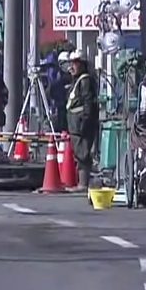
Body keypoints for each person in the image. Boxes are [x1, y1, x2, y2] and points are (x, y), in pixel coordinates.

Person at [66, 53, 100, 188]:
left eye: (75, 63)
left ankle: (83, 183)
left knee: (83, 153)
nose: (72, 66)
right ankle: (82, 182)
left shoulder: (85, 81)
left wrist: (85, 121)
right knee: (79, 153)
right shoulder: (78, 80)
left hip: (81, 124)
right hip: (75, 124)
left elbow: (88, 103)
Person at [48, 51, 73, 134]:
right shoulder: (58, 79)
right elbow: (51, 92)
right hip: (61, 111)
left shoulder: (74, 78)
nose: (69, 65)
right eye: (66, 63)